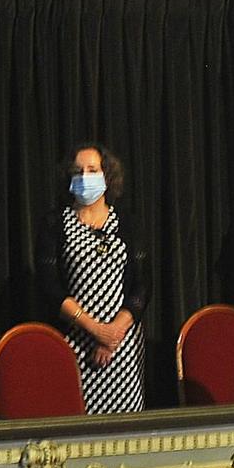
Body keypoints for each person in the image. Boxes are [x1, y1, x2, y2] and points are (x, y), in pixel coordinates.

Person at [41, 143, 147, 415]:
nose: (85, 177)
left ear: (107, 176)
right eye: (78, 172)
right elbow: (50, 287)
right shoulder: (56, 223)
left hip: (121, 347)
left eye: (92, 170)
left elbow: (143, 284)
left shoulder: (127, 222)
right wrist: (94, 329)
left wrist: (113, 333)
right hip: (75, 342)